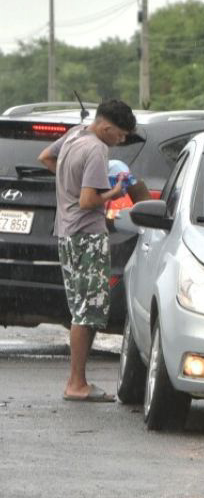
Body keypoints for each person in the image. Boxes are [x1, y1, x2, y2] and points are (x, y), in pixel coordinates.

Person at [38, 99, 137, 402]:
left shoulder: (76, 133)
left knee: (81, 307)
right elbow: (87, 202)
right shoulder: (96, 148)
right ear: (106, 127)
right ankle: (76, 384)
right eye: (119, 135)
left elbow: (45, 157)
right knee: (87, 310)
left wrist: (71, 182)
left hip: (66, 233)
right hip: (86, 234)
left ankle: (77, 381)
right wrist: (114, 193)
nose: (120, 142)